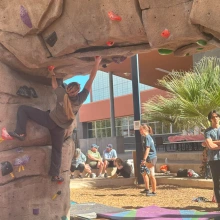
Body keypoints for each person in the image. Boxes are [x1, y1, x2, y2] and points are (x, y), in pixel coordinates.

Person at [7, 56, 102, 182]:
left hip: (49, 120)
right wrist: (97, 62)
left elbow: (54, 84)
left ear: (67, 90)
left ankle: (20, 132)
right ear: (78, 90)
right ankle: (55, 175)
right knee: (57, 151)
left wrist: (52, 72)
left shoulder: (62, 94)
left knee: (23, 109)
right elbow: (91, 78)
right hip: (60, 128)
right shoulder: (81, 98)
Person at [202, 110, 220, 209]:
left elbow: (211, 144)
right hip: (214, 159)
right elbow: (211, 146)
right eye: (213, 117)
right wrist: (210, 143)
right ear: (210, 119)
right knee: (216, 182)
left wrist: (213, 142)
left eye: (217, 116)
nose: (215, 118)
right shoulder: (208, 131)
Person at [139, 124, 157, 196]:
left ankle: (154, 192)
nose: (140, 131)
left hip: (151, 158)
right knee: (144, 173)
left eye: (140, 129)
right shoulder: (147, 137)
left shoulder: (147, 137)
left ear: (144, 129)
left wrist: (144, 159)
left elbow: (148, 149)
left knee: (151, 175)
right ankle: (147, 189)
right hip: (151, 158)